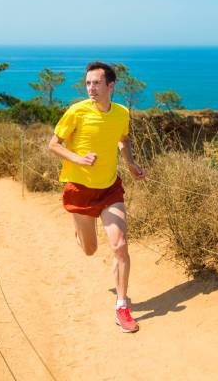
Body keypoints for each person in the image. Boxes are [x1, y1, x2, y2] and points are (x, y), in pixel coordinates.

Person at [48, 61, 145, 333]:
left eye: (96, 83)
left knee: (120, 245)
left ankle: (122, 306)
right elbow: (53, 144)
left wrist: (130, 164)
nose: (91, 88)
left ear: (110, 86)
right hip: (79, 189)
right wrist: (78, 158)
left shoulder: (121, 113)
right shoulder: (76, 112)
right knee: (90, 250)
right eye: (88, 83)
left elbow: (123, 140)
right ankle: (79, 230)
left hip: (110, 188)